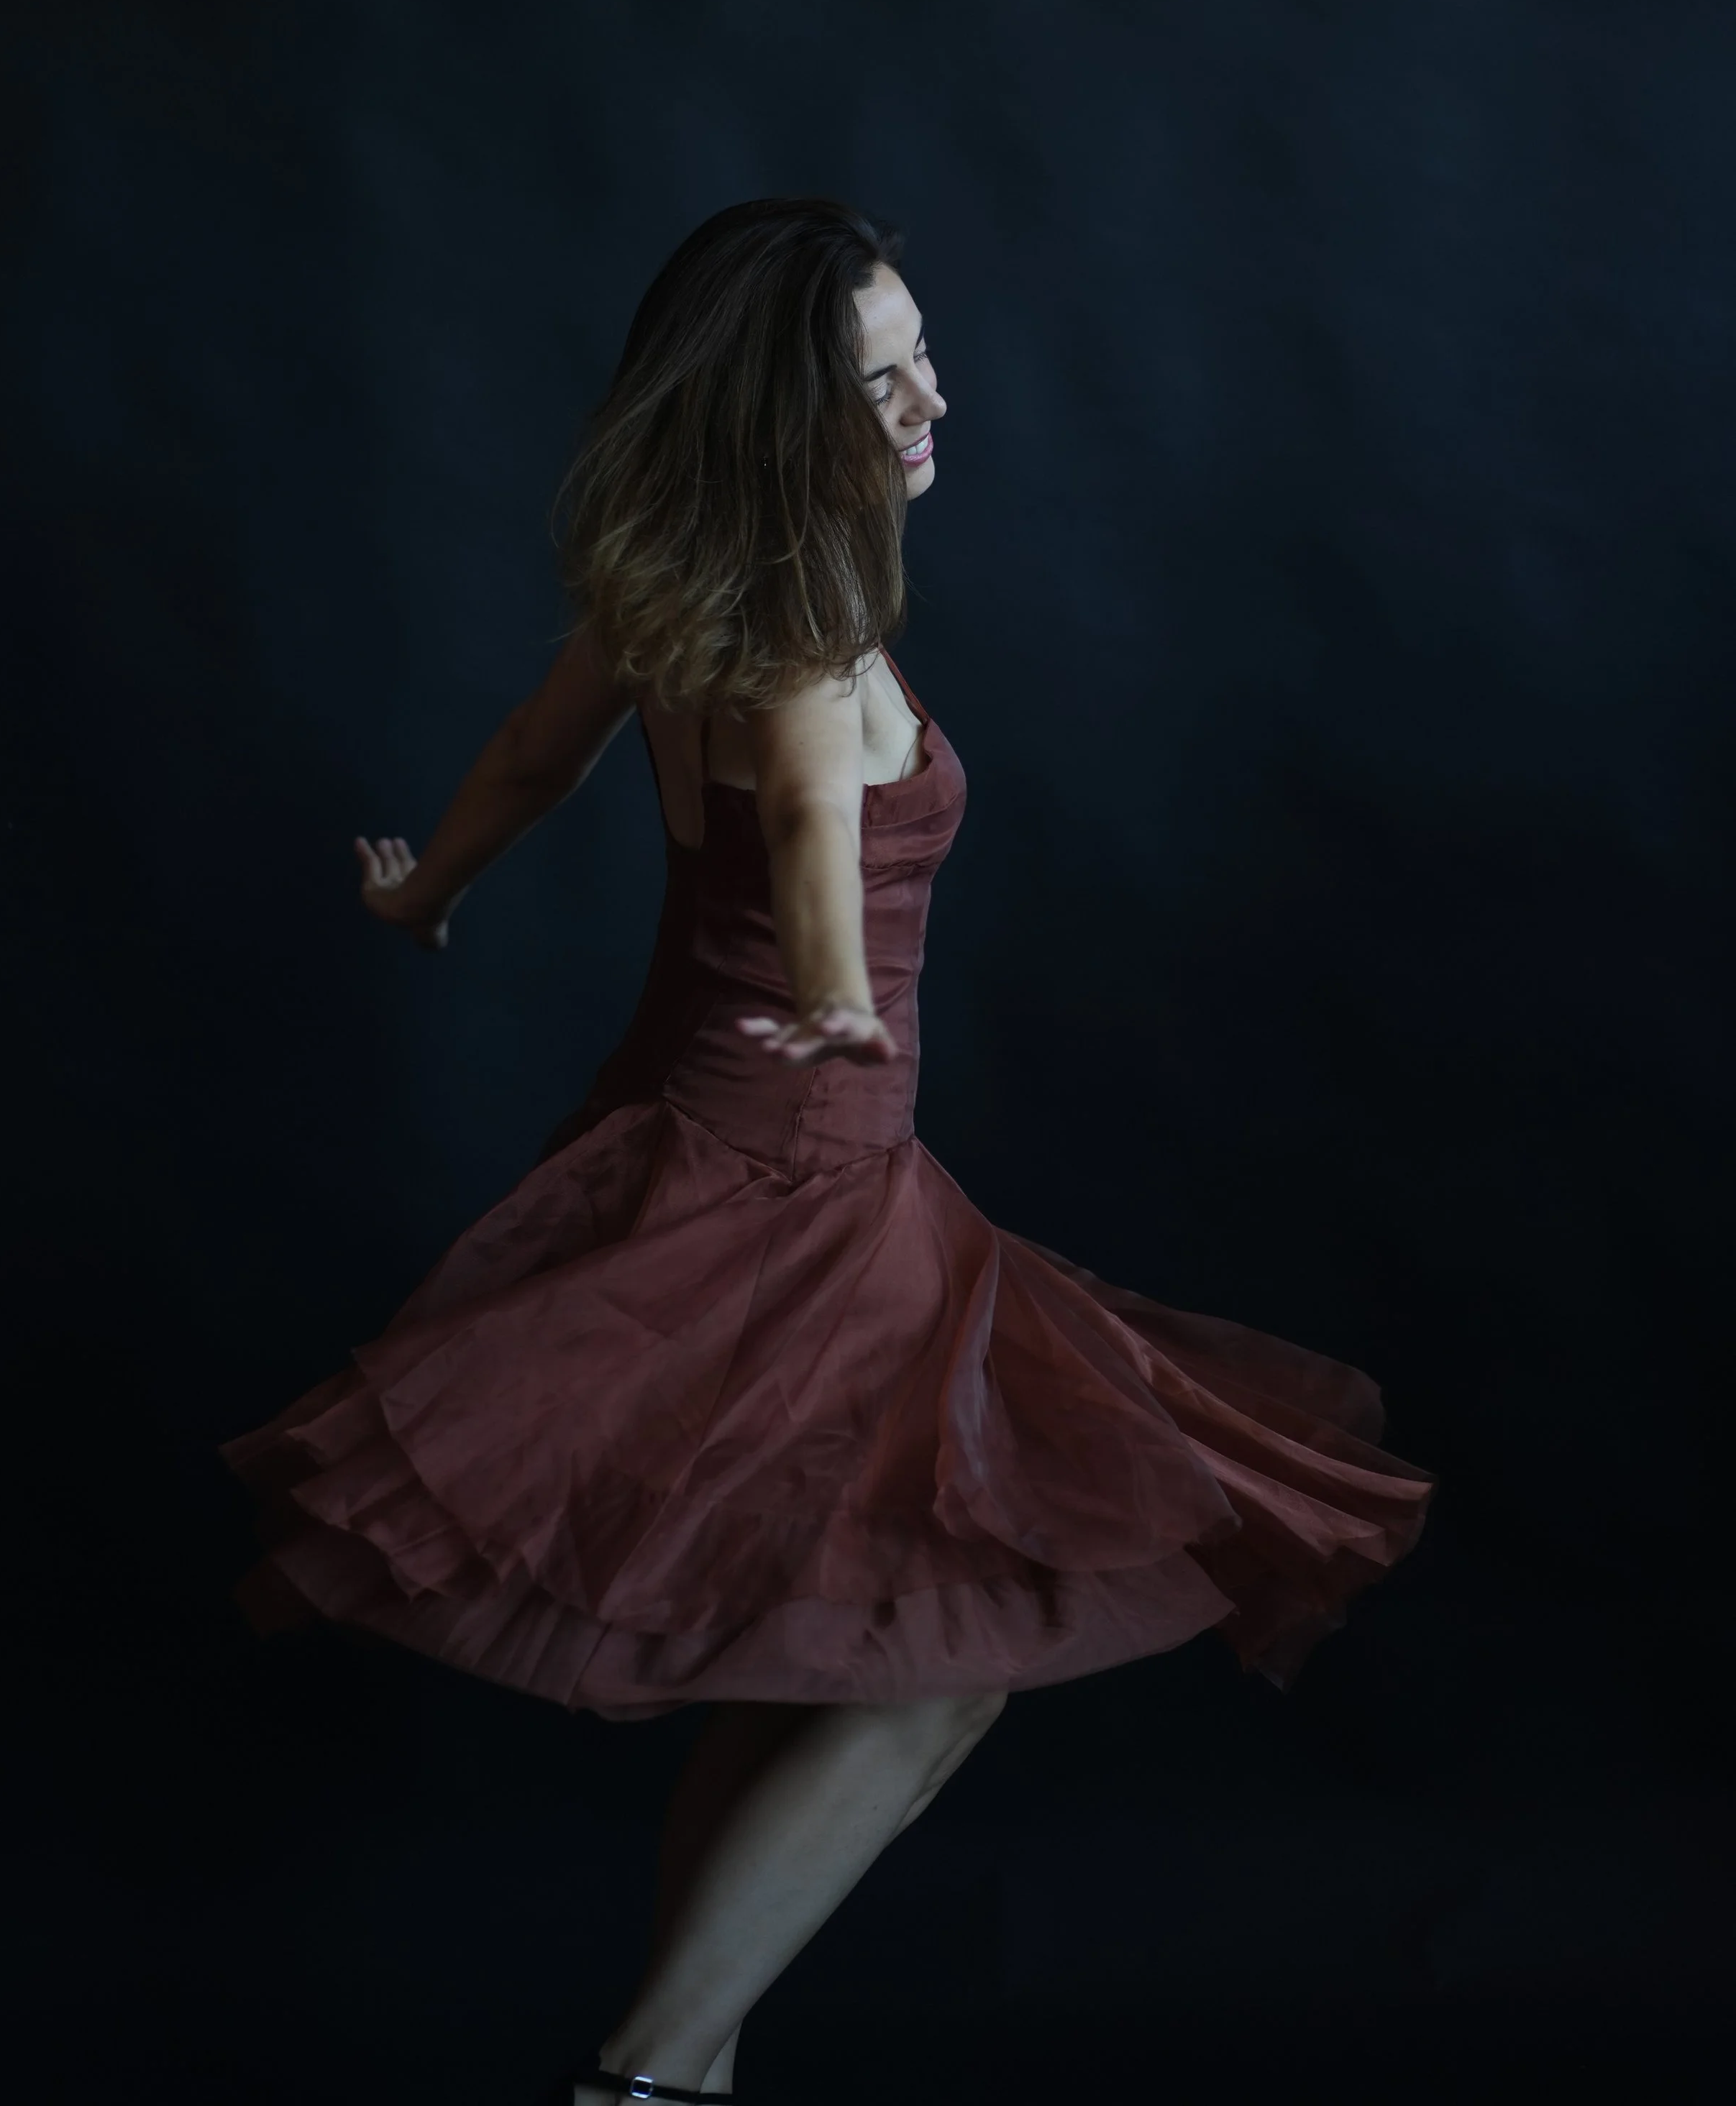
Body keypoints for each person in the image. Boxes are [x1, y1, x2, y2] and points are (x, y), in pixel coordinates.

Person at [220, 196, 1438, 2105]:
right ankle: (646, 2081)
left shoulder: (683, 588)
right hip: (796, 1179)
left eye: (921, 354)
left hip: (710, 1141)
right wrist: (838, 992)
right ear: (780, 411)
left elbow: (537, 752)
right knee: (942, 1650)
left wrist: (428, 890)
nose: (932, 398)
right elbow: (804, 817)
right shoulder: (801, 619)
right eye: (879, 378)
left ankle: (678, 2071)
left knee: (852, 1655)